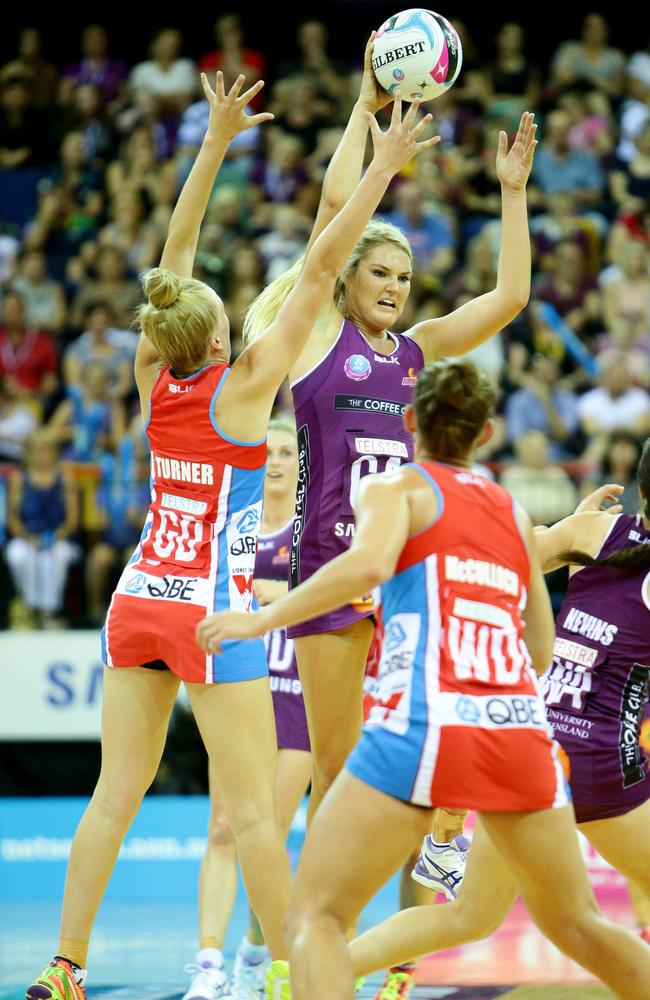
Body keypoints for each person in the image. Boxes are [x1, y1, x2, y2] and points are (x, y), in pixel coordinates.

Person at [25, 70, 439, 1000]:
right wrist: (383, 168)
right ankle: (297, 970)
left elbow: (172, 262)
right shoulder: (244, 394)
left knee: (112, 796)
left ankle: (64, 966)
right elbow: (325, 266)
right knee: (256, 813)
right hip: (209, 613)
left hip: (137, 603)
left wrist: (211, 147)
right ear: (218, 341)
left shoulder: (153, 377)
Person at [198, 361, 650, 1000]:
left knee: (314, 919)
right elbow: (541, 649)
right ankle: (442, 838)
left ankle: (437, 842)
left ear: (410, 423)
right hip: (524, 736)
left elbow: (366, 567)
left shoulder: (399, 489)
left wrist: (264, 616)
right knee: (575, 923)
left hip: (428, 722)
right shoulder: (512, 513)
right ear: (486, 434)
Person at [242, 37, 537, 834]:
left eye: (404, 280)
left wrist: (512, 193)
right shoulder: (315, 340)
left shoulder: (416, 351)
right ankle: (306, 943)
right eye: (380, 275)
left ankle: (399, 958)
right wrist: (365, 108)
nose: (395, 290)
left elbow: (510, 295)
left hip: (404, 570)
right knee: (336, 774)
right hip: (332, 564)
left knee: (417, 763)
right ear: (348, 281)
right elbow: (335, 220)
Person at [342, 461, 650, 997]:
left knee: (471, 916)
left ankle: (315, 969)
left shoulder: (595, 530)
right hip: (601, 759)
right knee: (578, 922)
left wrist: (575, 533)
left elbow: (494, 557)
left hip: (533, 745)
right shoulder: (596, 534)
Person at [183, 419, 311, 1000]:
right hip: (240, 690)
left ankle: (258, 953)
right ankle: (208, 968)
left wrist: (280, 598)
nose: (278, 460)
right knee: (222, 829)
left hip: (299, 696)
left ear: (301, 463)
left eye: (288, 451)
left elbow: (353, 597)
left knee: (270, 832)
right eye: (270, 451)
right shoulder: (232, 529)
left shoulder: (318, 533)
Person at [5, 428, 79, 628]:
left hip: (59, 536)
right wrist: (28, 537)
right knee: (19, 556)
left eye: (45, 450)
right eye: (37, 451)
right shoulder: (19, 479)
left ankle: (49, 611)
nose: (41, 456)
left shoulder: (65, 479)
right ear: (29, 454)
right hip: (27, 535)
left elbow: (72, 519)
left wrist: (55, 536)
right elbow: (12, 516)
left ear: (54, 453)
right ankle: (30, 609)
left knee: (56, 557)